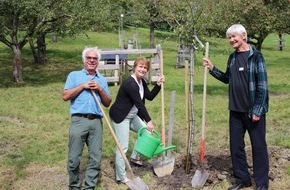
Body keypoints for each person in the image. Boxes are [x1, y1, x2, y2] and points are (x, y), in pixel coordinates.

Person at [203, 24, 269, 190]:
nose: (231, 40)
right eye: (229, 37)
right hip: (235, 111)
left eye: (234, 36)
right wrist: (212, 69)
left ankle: (262, 183)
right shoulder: (232, 58)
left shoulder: (256, 57)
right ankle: (242, 179)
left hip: (253, 112)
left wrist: (257, 110)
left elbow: (262, 86)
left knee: (258, 147)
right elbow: (227, 78)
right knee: (236, 147)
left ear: (244, 36)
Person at [109, 57, 165, 184]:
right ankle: (121, 176)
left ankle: (135, 157)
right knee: (122, 147)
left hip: (132, 115)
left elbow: (149, 97)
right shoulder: (130, 84)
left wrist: (158, 85)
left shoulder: (141, 82)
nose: (143, 69)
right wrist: (148, 121)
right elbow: (139, 104)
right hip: (121, 116)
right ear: (134, 68)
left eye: (145, 68)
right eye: (140, 66)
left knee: (147, 134)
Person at [62, 47, 112, 190]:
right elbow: (65, 96)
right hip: (79, 120)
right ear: (84, 59)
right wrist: (83, 86)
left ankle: (90, 186)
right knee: (74, 158)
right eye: (89, 58)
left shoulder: (101, 80)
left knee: (95, 158)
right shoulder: (74, 76)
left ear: (98, 61)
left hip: (96, 122)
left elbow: (108, 103)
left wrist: (100, 89)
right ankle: (74, 186)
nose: (91, 60)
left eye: (95, 59)